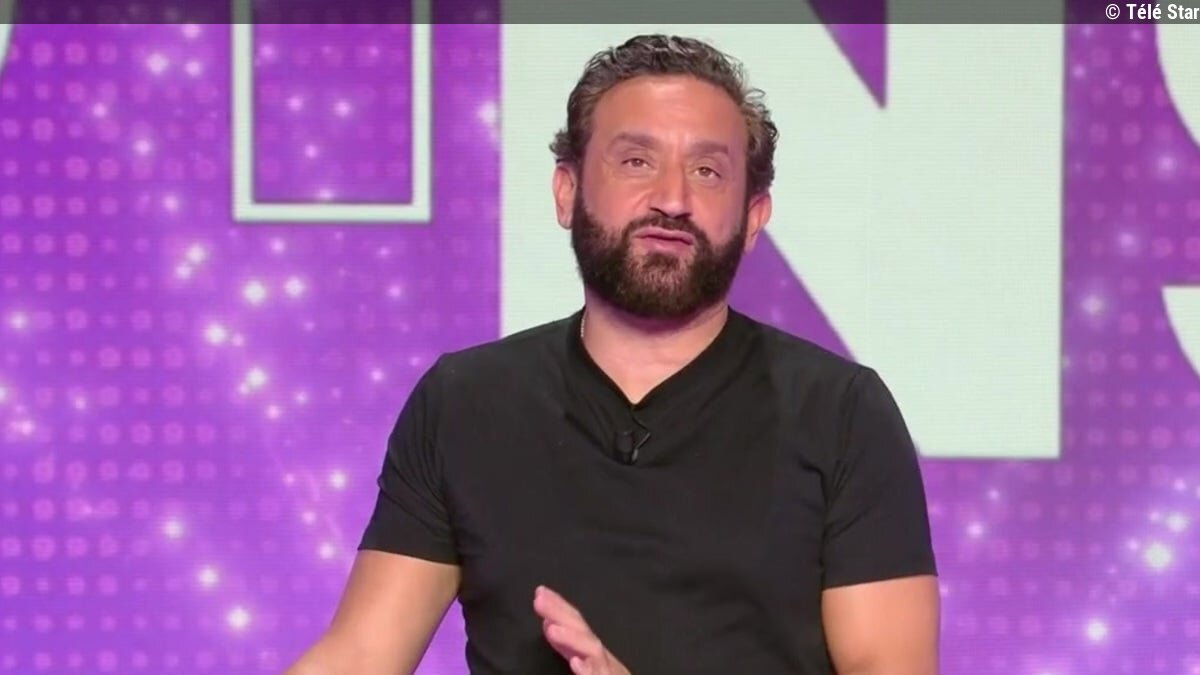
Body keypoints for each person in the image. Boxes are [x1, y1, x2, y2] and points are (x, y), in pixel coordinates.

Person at [286, 34, 939, 675]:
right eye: (636, 161)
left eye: (708, 171)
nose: (673, 199)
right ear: (567, 192)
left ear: (753, 218)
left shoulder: (841, 413)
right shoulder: (464, 402)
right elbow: (361, 655)